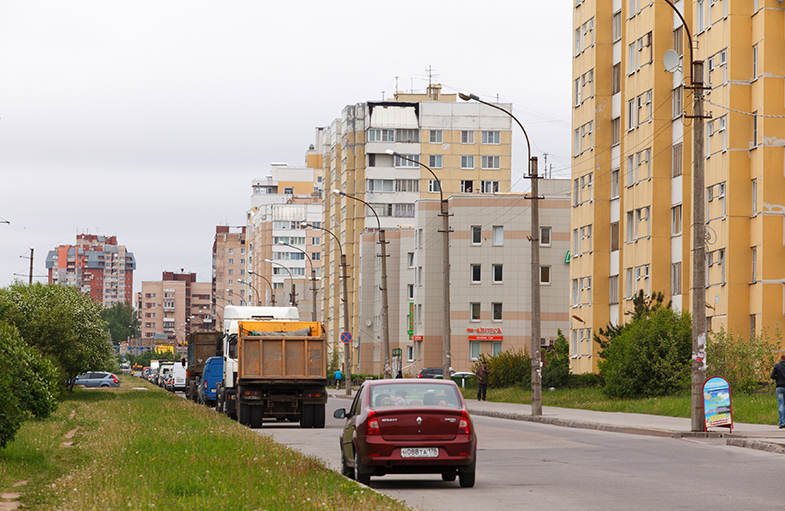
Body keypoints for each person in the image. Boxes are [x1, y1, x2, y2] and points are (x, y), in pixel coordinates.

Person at [770, 354, 785, 428]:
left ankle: (782, 422)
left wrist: (777, 378)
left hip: (779, 387)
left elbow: (772, 376)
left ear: (781, 358)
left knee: (781, 404)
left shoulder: (777, 365)